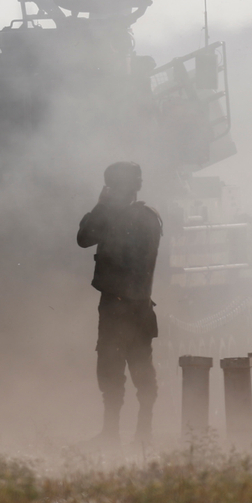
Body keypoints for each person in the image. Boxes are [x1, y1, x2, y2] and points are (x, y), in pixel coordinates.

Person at [77, 161, 163, 445]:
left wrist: (103, 208)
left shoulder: (138, 218)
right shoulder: (134, 217)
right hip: (123, 305)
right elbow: (84, 239)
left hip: (128, 305)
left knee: (136, 370)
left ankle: (140, 431)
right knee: (115, 370)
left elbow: (86, 238)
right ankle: (119, 431)